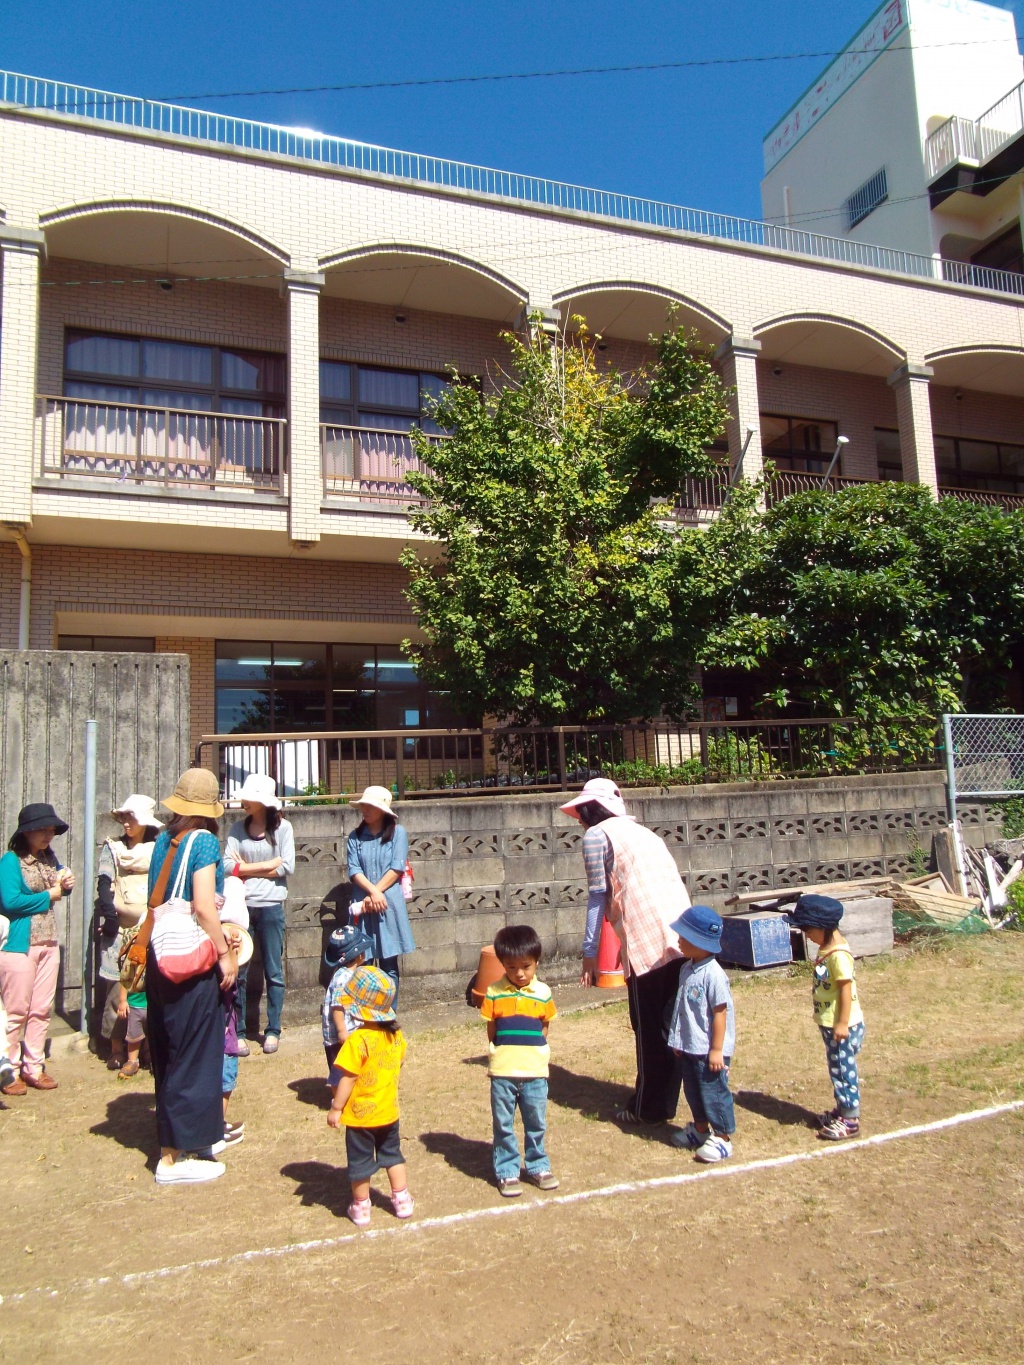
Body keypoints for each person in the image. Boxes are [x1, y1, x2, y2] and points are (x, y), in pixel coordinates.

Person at [563, 777, 687, 1125]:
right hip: (681, 933)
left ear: (590, 811)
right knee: (670, 1024)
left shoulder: (596, 836)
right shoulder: (645, 834)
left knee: (646, 1025)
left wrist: (590, 952)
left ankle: (646, 1107)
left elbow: (598, 896)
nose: (579, 820)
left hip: (646, 936)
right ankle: (664, 1103)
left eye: (581, 812)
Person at [143, 768, 237, 1186]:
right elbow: (202, 905)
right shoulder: (204, 842)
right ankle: (171, 1159)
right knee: (196, 1053)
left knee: (169, 1048)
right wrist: (224, 954)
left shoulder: (164, 839)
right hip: (191, 960)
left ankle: (193, 1139)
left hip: (160, 954)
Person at [326, 964, 413, 1227]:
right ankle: (402, 1199)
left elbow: (348, 1077)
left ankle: (361, 1206)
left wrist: (336, 1108)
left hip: (360, 1117)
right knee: (393, 1155)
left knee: (360, 1162)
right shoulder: (395, 1035)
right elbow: (400, 1061)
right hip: (388, 1111)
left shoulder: (357, 1040)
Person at [0, 803, 75, 1095]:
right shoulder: (10, 861)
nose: (48, 835)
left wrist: (66, 883)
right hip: (19, 945)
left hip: (48, 942)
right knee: (16, 1011)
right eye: (42, 829)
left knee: (41, 1010)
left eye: (51, 830)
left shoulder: (48, 857)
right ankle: (8, 1070)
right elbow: (10, 901)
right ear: (26, 831)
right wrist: (49, 895)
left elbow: (59, 886)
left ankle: (34, 1067)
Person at [480, 924, 559, 1198]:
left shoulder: (543, 992)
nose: (520, 973)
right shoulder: (493, 992)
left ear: (537, 962)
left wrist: (537, 1051)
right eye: (511, 967)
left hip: (535, 1072)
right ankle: (507, 1170)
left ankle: (538, 1166)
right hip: (503, 1072)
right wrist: (497, 1049)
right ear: (502, 964)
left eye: (526, 966)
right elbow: (491, 1027)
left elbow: (545, 1024)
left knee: (536, 1122)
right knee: (503, 1124)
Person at [224, 773, 295, 1056]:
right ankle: (239, 1031)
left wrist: (245, 868)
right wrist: (266, 865)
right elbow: (227, 866)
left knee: (273, 970)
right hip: (241, 907)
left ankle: (273, 1029)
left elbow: (286, 866)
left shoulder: (284, 828)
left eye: (249, 799)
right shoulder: (236, 828)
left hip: (272, 905)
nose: (244, 802)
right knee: (238, 970)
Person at [787, 893, 865, 1141]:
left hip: (840, 1025)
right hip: (830, 1023)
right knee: (837, 1068)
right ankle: (842, 1110)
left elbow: (845, 990)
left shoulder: (839, 956)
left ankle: (850, 1119)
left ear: (823, 927)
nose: (807, 936)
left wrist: (841, 1023)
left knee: (843, 1070)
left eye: (809, 930)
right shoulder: (827, 949)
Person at [95, 795, 162, 1070]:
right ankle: (116, 1049)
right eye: (123, 817)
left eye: (131, 818)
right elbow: (104, 882)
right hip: (119, 925)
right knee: (116, 989)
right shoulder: (112, 848)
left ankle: (146, 1048)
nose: (126, 823)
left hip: (150, 925)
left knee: (148, 990)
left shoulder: (159, 848)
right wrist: (110, 916)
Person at [667, 905, 736, 1164]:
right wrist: (678, 1038)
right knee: (693, 1091)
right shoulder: (686, 969)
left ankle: (723, 1138)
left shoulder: (714, 975)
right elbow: (682, 1008)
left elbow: (720, 1013)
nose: (679, 940)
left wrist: (717, 1050)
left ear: (699, 941)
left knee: (714, 1093)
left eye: (684, 937)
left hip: (708, 1051)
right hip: (689, 1046)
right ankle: (699, 1129)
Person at [346, 786, 415, 1002]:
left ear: (382, 810)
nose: (365, 810)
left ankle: (388, 1012)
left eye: (370, 806)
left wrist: (376, 894)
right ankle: (365, 1012)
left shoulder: (398, 833)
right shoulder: (355, 837)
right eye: (363, 806)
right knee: (363, 962)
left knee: (389, 964)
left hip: (387, 904)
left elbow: (397, 867)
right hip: (364, 904)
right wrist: (373, 893)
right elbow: (354, 870)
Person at [321, 924, 374, 1086]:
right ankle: (337, 1096)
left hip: (352, 1031)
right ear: (359, 955)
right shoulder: (343, 978)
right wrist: (341, 1030)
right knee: (340, 1071)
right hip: (340, 1036)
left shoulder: (351, 974)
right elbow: (337, 1007)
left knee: (353, 1068)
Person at [219, 920, 252, 1149]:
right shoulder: (224, 980)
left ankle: (217, 1124)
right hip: (224, 1042)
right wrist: (231, 950)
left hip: (223, 1038)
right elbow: (231, 974)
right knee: (223, 1085)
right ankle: (215, 1129)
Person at [114, 921, 148, 1080]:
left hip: (152, 1005)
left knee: (152, 1034)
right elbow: (125, 981)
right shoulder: (133, 959)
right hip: (135, 1003)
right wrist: (122, 1001)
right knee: (134, 1035)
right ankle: (132, 1060)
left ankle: (150, 1057)